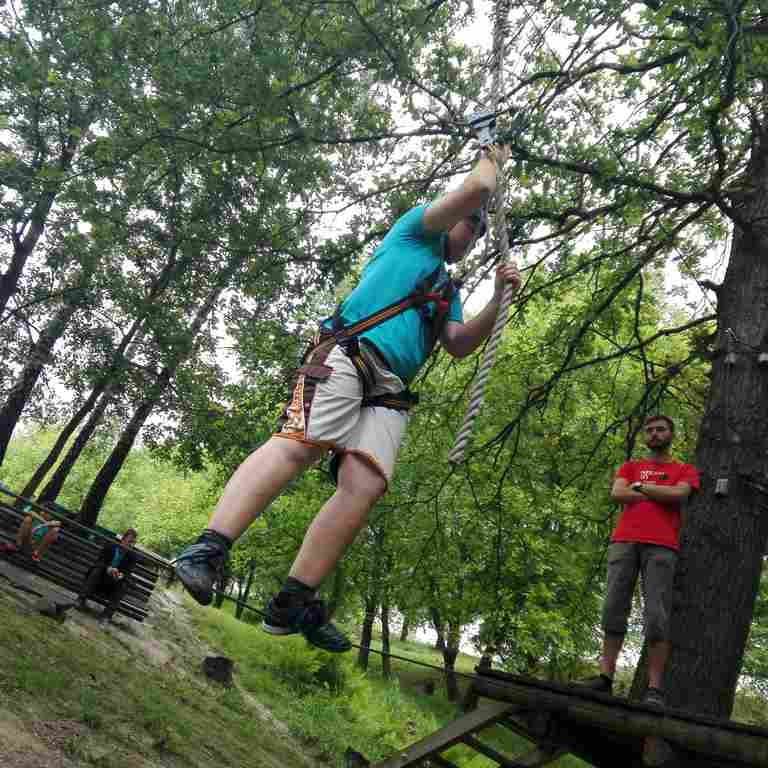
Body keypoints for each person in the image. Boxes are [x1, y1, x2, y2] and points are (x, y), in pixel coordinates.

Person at [175, 144, 522, 652]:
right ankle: (205, 551)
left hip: (389, 389)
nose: (474, 232)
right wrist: (492, 156)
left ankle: (292, 600)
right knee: (301, 444)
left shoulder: (447, 292)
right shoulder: (414, 232)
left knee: (366, 484)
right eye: (471, 223)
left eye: (480, 230)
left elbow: (459, 344)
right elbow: (479, 187)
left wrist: (496, 299)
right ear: (449, 215)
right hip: (349, 351)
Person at [581, 415, 699, 706]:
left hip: (662, 547)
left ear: (671, 434)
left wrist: (641, 488)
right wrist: (655, 492)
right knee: (613, 606)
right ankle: (605, 678)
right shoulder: (630, 466)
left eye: (660, 429)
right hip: (624, 542)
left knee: (657, 614)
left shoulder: (684, 469)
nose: (654, 434)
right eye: (650, 430)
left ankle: (654, 689)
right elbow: (617, 493)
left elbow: (679, 494)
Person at [77, 528, 139, 623]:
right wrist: (108, 568)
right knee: (97, 570)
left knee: (124, 585)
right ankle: (80, 599)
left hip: (112, 587)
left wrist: (121, 575)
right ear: (123, 539)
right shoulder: (110, 546)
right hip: (98, 581)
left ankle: (107, 615)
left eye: (133, 543)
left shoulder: (132, 556)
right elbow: (99, 562)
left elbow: (127, 573)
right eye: (130, 541)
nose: (131, 545)